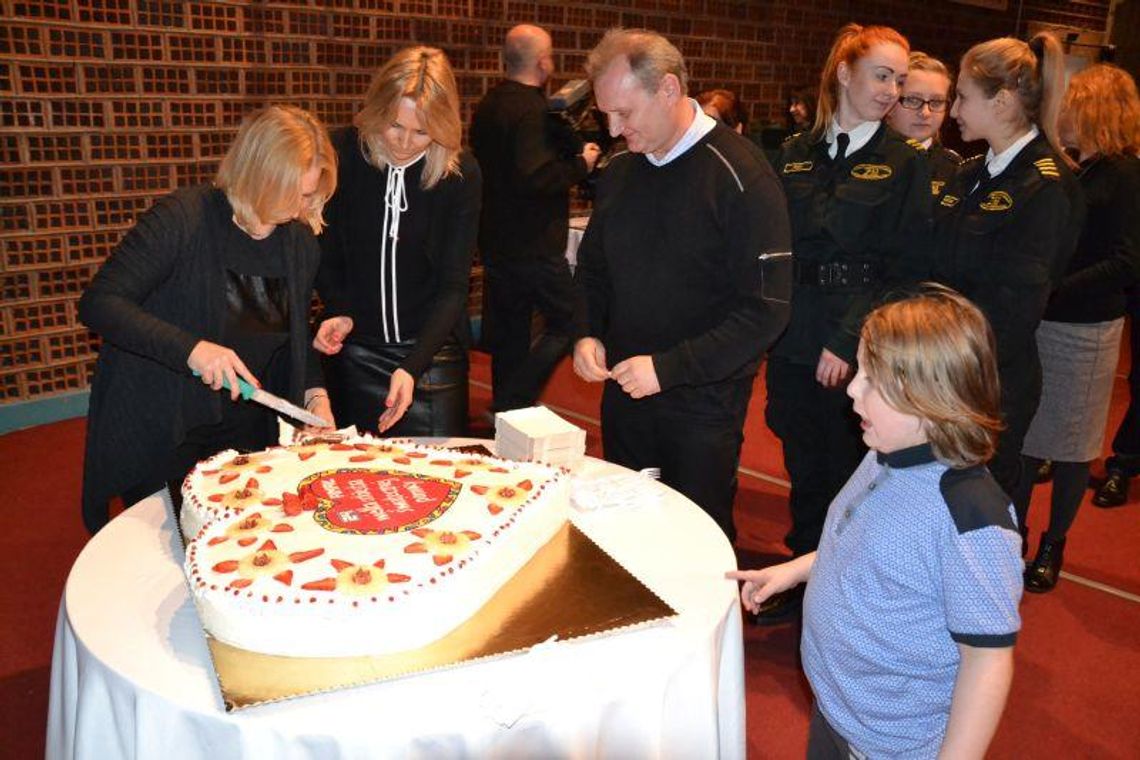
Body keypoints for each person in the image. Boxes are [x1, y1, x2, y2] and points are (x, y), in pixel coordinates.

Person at [729, 285, 1022, 759]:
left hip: (891, 745)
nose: (851, 388)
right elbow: (863, 546)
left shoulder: (971, 518)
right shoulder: (887, 454)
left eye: (870, 379)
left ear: (929, 398)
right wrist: (798, 569)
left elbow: (987, 661)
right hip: (838, 713)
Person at [572, 28, 791, 541]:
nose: (612, 127)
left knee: (695, 539)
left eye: (623, 113)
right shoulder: (622, 169)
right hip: (624, 388)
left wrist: (668, 370)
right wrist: (586, 331)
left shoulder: (741, 175)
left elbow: (767, 310)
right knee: (625, 530)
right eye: (605, 114)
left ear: (668, 90)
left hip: (702, 400)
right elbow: (595, 269)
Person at [78, 105, 337, 533]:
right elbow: (100, 303)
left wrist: (314, 398)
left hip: (242, 426)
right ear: (257, 174)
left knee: (242, 543)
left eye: (310, 195)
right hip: (166, 420)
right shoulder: (184, 218)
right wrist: (192, 350)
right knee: (171, 556)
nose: (301, 207)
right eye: (293, 193)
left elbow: (289, 335)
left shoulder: (297, 243)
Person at [761, 23, 932, 622]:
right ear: (844, 74)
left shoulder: (902, 163)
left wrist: (848, 339)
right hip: (792, 333)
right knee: (801, 456)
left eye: (900, 80)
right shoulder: (796, 153)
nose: (893, 91)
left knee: (847, 468)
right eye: (882, 76)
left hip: (852, 335)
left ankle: (841, 587)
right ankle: (805, 571)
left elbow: (903, 268)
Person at [932, 33, 1084, 532]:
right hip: (948, 366)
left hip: (988, 377)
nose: (954, 110)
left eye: (962, 97)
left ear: (1001, 101)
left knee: (983, 518)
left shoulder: (1046, 184)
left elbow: (1015, 308)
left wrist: (948, 360)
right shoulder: (974, 172)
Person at [1014, 63, 1140, 589]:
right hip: (1048, 323)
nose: (1063, 114)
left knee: (1070, 448)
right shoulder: (1081, 168)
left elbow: (1127, 261)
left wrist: (1053, 288)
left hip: (1086, 330)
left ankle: (1053, 544)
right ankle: (1012, 535)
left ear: (1094, 111)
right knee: (1026, 439)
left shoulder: (1126, 175)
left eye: (1072, 105)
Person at [314, 46, 482, 436]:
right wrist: (341, 310)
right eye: (394, 125)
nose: (405, 142)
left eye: (422, 131)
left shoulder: (461, 173)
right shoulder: (342, 154)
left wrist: (413, 364)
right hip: (354, 349)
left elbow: (455, 284)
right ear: (376, 111)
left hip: (432, 353)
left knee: (441, 476)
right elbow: (322, 253)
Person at [470, 24, 600, 413]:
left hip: (496, 237)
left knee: (510, 330)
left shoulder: (489, 104)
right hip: (535, 243)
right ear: (544, 63)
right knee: (571, 321)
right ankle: (515, 399)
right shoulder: (533, 111)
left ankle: (506, 412)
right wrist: (582, 164)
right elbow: (536, 176)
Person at [886, 51, 962, 200]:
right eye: (913, 100)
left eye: (936, 102)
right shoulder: (862, 156)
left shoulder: (956, 169)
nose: (925, 112)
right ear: (889, 102)